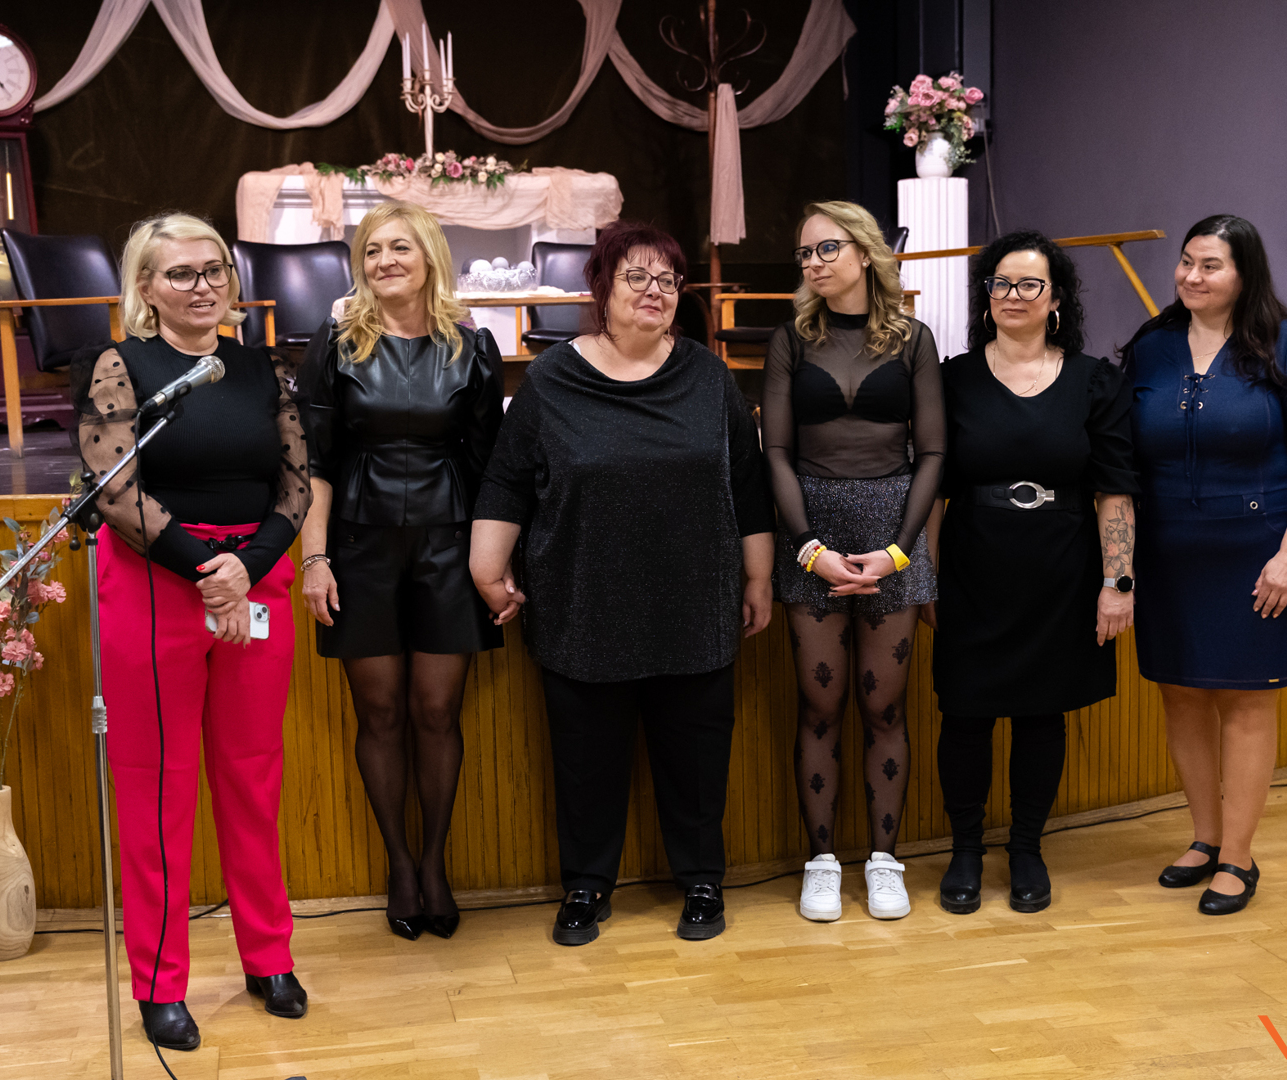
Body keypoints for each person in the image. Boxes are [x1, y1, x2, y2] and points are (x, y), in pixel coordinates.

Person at [470, 221, 775, 946]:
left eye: (668, 280)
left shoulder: (708, 377)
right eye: (637, 276)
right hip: (584, 601)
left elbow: (747, 481)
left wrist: (760, 573)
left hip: (694, 598)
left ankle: (701, 879)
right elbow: (507, 479)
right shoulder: (552, 379)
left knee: (696, 757)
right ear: (602, 288)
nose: (654, 291)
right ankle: (585, 885)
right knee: (586, 760)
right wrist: (486, 567)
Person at [74, 212, 311, 1051]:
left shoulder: (261, 367)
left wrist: (246, 565)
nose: (204, 285)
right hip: (156, 583)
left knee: (253, 778)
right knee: (158, 789)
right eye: (181, 273)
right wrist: (204, 567)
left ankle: (269, 959)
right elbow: (113, 486)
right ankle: (159, 983)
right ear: (146, 287)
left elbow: (296, 482)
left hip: (253, 581)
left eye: (215, 270)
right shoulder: (122, 366)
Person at [1120, 214, 1287, 915]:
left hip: (1257, 556)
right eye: (1186, 261)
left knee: (1247, 701)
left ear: (1245, 273)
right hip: (1166, 554)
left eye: (1210, 265)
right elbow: (1120, 450)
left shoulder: (1286, 343)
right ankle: (1206, 837)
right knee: (1181, 694)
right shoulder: (1152, 346)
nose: (1191, 275)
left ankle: (1239, 858)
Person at [298, 202, 503, 941]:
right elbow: (314, 461)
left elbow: (492, 465)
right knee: (380, 715)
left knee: (437, 713)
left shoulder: (472, 347)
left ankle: (436, 863)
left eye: (400, 248)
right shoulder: (334, 344)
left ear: (429, 259)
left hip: (450, 545)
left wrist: (497, 562)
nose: (384, 260)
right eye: (372, 250)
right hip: (360, 545)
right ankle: (399, 865)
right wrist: (314, 558)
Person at [931, 230, 1139, 916]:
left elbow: (1114, 489)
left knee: (1041, 715)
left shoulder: (1094, 380)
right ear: (986, 297)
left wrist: (1117, 584)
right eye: (1000, 283)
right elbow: (931, 489)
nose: (1013, 295)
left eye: (1029, 284)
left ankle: (1026, 847)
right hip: (972, 567)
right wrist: (927, 575)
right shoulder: (953, 379)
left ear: (1056, 300)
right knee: (965, 713)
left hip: (1061, 572)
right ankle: (965, 849)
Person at [762, 201, 944, 922]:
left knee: (884, 706)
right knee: (820, 705)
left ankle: (885, 863)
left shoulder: (914, 338)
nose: (813, 262)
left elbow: (933, 452)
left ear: (865, 253)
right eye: (805, 253)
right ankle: (821, 864)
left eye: (827, 248)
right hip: (810, 529)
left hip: (894, 527)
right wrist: (810, 549)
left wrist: (900, 550)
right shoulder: (791, 338)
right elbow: (776, 452)